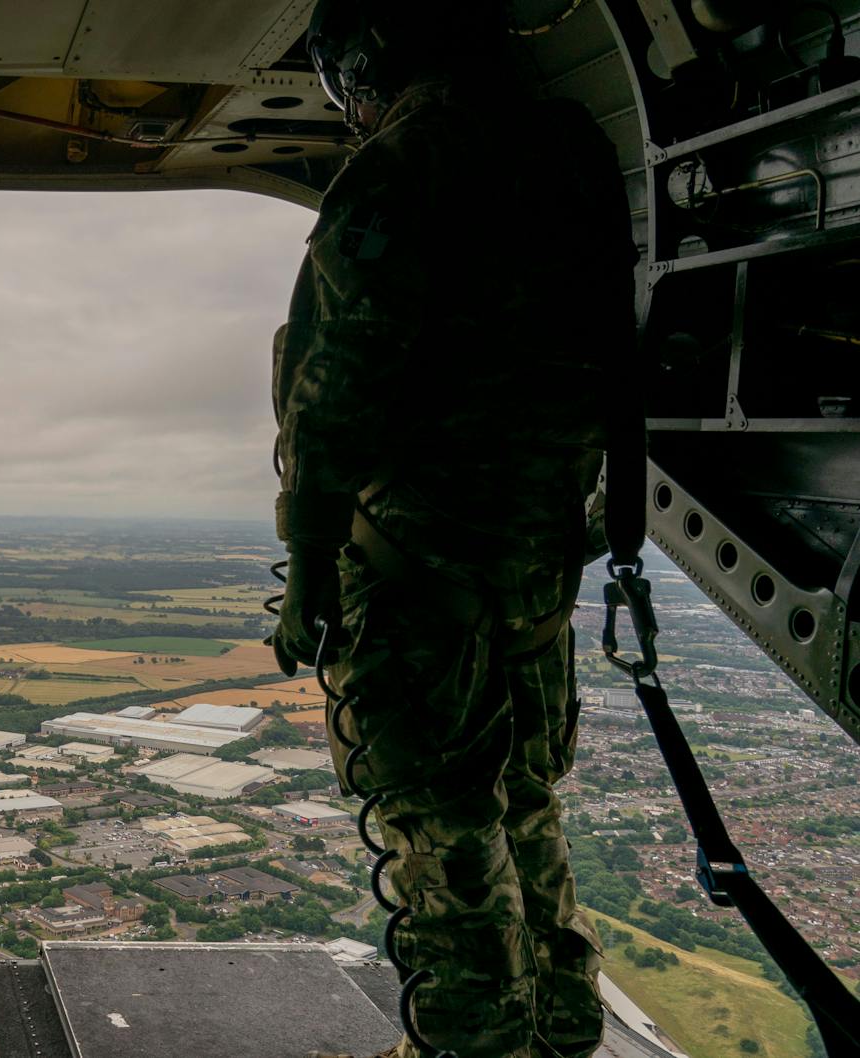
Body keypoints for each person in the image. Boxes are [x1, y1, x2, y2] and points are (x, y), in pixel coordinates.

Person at [268, 2, 638, 1056]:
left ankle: (475, 1040)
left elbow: (333, 389)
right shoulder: (566, 154)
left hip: (421, 573)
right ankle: (560, 1032)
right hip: (531, 575)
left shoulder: (405, 164)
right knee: (525, 815)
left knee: (449, 844)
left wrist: (308, 569)